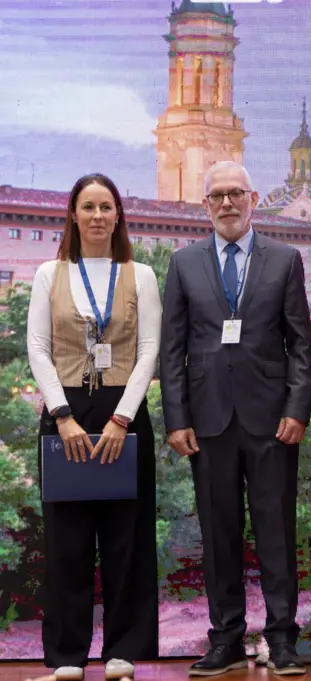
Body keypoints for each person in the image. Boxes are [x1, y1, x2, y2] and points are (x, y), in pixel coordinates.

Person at [160, 161, 311, 677]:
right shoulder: (184, 264)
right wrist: (176, 418)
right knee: (218, 534)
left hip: (272, 421)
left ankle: (282, 639)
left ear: (253, 198)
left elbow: (300, 346)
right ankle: (225, 639)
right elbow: (173, 348)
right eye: (217, 196)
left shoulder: (286, 259)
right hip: (206, 423)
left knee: (276, 532)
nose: (227, 204)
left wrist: (297, 409)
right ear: (205, 205)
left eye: (235, 194)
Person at [27, 173, 161, 681]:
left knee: (126, 537)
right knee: (67, 540)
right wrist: (61, 416)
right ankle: (66, 656)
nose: (99, 215)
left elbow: (148, 350)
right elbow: (38, 349)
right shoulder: (48, 273)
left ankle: (122, 651)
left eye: (107, 206)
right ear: (74, 215)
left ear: (118, 215)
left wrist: (122, 418)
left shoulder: (140, 274)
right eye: (89, 206)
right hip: (65, 416)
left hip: (123, 414)